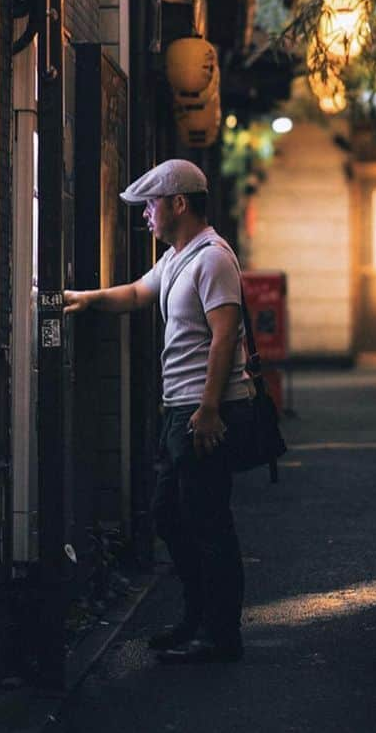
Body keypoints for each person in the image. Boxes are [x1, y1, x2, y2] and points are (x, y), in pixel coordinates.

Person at [63, 158, 252, 664]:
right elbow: (138, 293)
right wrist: (86, 298)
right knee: (172, 514)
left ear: (179, 204)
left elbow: (225, 334)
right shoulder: (177, 259)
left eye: (152, 204)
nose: (146, 214)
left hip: (203, 410)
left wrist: (210, 409)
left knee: (208, 521)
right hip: (181, 410)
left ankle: (220, 633)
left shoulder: (213, 258)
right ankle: (198, 617)